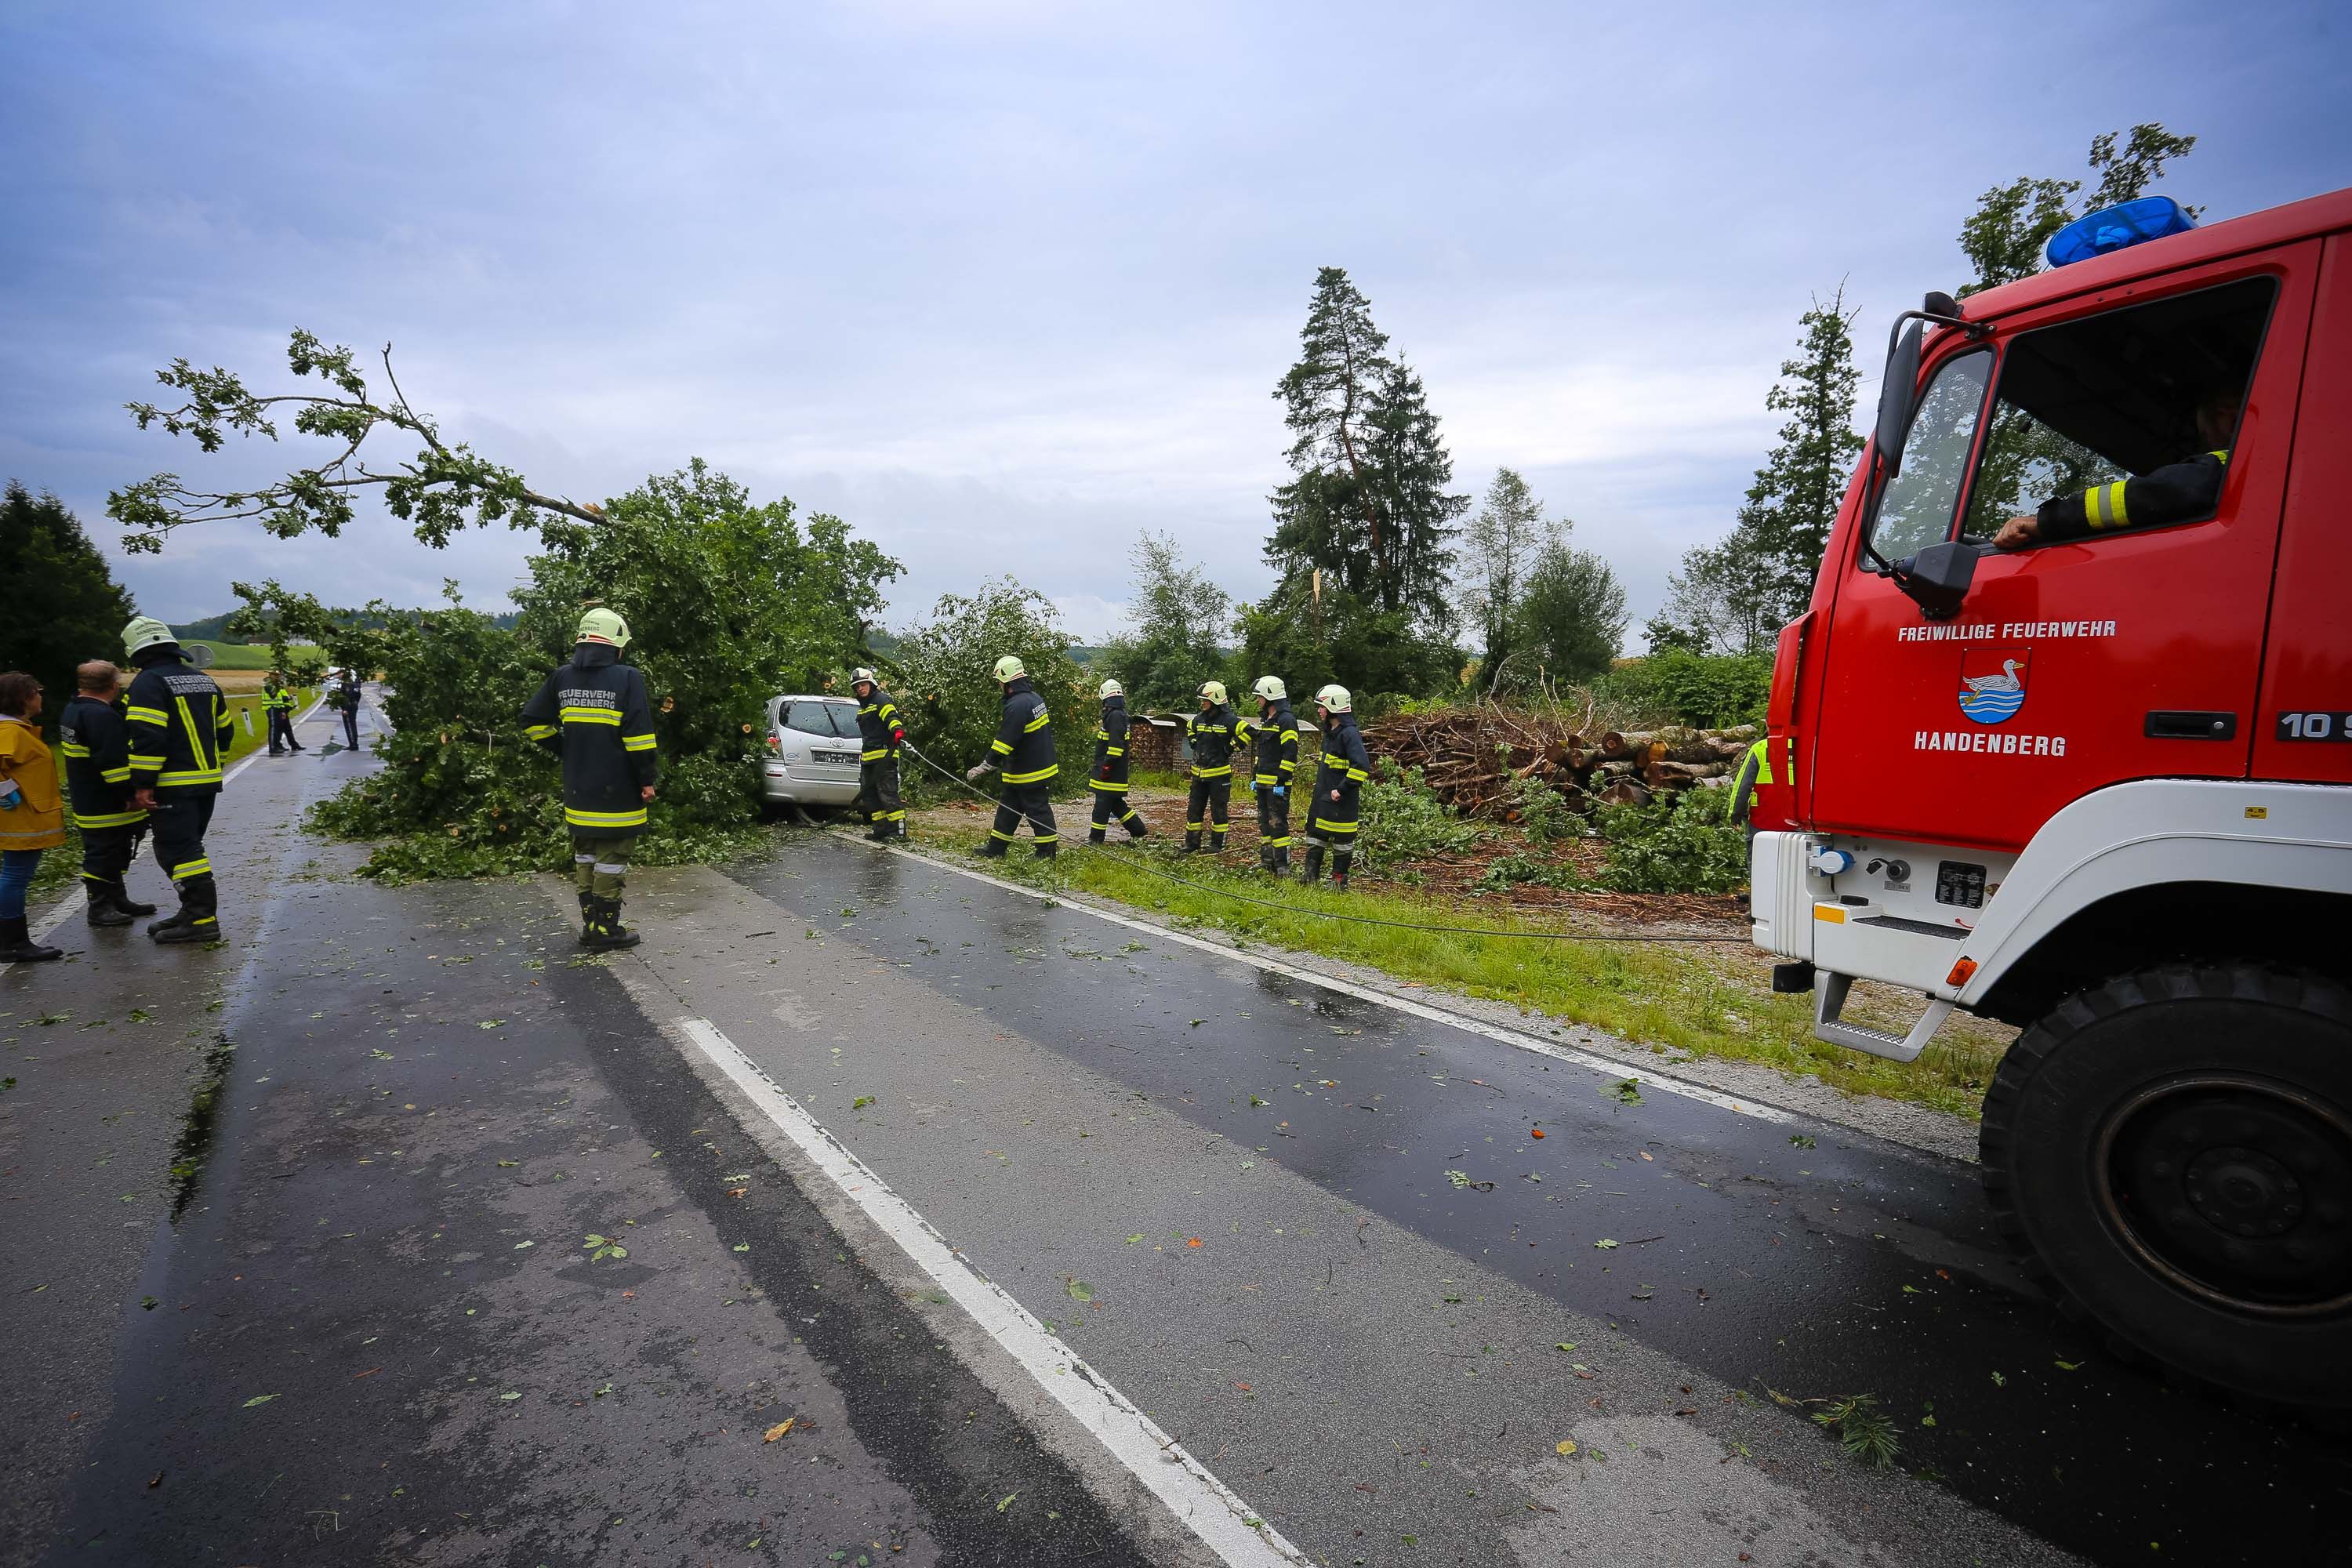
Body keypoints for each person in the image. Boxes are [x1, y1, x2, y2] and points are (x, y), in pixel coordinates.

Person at [521, 608, 659, 949]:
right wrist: (647, 779)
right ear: (616, 646)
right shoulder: (627, 678)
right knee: (612, 860)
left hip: (578, 791)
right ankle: (605, 930)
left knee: (585, 855)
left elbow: (531, 721)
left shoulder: (562, 678)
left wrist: (566, 749)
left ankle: (590, 924)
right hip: (619, 791)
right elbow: (639, 737)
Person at [1993, 387, 2238, 550]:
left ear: (2229, 420)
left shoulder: (2228, 466)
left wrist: (2045, 521)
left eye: (2204, 433)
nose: (2204, 443)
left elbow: (2153, 494)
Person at [121, 616, 235, 943]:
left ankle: (201, 920)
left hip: (171, 784)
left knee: (178, 851)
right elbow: (225, 730)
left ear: (137, 651)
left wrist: (142, 784)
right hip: (206, 783)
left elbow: (148, 738)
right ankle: (192, 912)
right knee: (189, 847)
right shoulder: (203, 680)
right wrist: (215, 766)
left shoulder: (148, 684)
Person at [59, 660, 158, 929]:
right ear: (114, 685)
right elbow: (114, 766)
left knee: (114, 850)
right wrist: (131, 795)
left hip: (89, 796)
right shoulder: (100, 716)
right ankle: (100, 907)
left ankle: (117, 899)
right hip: (105, 801)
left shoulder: (75, 708)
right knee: (103, 853)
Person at [0, 671, 67, 963]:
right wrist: (6, 790)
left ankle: (13, 939)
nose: (41, 697)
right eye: (37, 692)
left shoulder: (17, 729)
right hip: (21, 818)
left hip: (25, 815)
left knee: (15, 874)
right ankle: (12, 942)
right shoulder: (9, 732)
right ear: (24, 698)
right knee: (15, 875)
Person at [966, 654, 1058, 858]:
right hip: (1027, 768)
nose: (998, 685)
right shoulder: (1034, 698)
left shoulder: (1017, 705)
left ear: (1007, 681)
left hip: (1030, 772)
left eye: (999, 681)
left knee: (1038, 812)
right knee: (1007, 811)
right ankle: (996, 848)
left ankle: (1047, 853)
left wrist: (986, 765)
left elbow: (1005, 740)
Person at [1300, 684, 1371, 893]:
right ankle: (1309, 877)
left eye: (1321, 706)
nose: (1319, 710)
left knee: (1342, 842)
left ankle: (1339, 883)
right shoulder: (1330, 732)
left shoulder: (1349, 734)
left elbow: (1361, 767)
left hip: (1342, 800)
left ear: (1333, 706)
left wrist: (1342, 789)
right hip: (1323, 797)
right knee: (1316, 834)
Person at [1244, 676, 1300, 875]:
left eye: (1260, 696)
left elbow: (1290, 752)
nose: (1258, 700)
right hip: (1262, 783)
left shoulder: (1286, 720)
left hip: (1278, 784)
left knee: (1278, 823)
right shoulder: (1266, 720)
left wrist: (1282, 780)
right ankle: (1267, 861)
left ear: (1270, 696)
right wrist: (1254, 777)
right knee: (1264, 823)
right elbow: (1261, 752)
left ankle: (1282, 865)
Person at [1087, 679, 1148, 844]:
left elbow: (1115, 747)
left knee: (1101, 806)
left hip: (1111, 772)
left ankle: (1095, 839)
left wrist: (1106, 766)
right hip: (1113, 770)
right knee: (1116, 805)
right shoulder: (1118, 715)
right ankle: (1138, 830)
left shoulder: (1115, 716)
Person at [850, 666, 908, 842]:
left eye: (863, 684)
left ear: (871, 683)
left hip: (884, 757)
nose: (861, 689)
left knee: (887, 794)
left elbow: (891, 717)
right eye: (857, 686)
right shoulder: (864, 706)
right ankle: (881, 830)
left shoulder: (880, 700)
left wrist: (897, 730)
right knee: (870, 796)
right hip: (868, 758)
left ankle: (898, 832)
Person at [1182, 681, 1237, 855]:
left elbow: (1249, 732)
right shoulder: (1199, 719)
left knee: (1218, 812)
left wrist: (1231, 746)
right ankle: (1192, 844)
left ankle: (1217, 845)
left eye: (1204, 700)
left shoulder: (1229, 720)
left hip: (1219, 777)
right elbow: (1190, 728)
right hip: (1198, 775)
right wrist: (1193, 741)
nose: (1202, 703)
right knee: (1194, 811)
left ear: (1215, 699)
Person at [1729, 733, 1795, 840]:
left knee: (1759, 856)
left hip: (1761, 824)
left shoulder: (1759, 748)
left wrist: (1736, 816)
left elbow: (1743, 786)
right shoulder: (1805, 749)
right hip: (1797, 827)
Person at [263, 671, 303, 755]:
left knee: (280, 729)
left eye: (278, 676)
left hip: (279, 708)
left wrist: (283, 710)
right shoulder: (269, 685)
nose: (277, 677)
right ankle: (273, 748)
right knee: (274, 728)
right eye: (275, 675)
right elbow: (273, 695)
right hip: (271, 708)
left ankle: (280, 745)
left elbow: (280, 699)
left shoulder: (279, 686)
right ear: (270, 676)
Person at [334, 666, 364, 750]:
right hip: (354, 705)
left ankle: (353, 744)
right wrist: (356, 703)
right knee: (353, 724)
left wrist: (345, 709)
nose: (339, 676)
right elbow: (358, 695)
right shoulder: (356, 684)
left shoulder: (346, 685)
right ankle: (354, 743)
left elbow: (346, 696)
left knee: (349, 726)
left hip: (348, 706)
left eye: (339, 674)